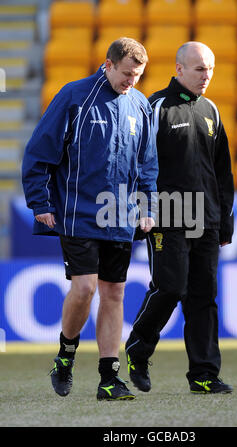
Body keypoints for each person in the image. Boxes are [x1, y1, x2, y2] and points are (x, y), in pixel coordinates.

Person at [22, 38, 158, 401]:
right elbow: (39, 152)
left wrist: (148, 207)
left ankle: (109, 378)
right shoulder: (74, 96)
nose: (132, 81)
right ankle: (65, 358)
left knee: (114, 292)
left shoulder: (140, 105)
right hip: (76, 211)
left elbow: (147, 164)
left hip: (119, 215)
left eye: (138, 76)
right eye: (127, 74)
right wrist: (40, 202)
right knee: (84, 289)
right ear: (108, 64)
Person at [125, 42, 235, 394]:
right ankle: (137, 348)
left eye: (211, 69)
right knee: (170, 287)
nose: (207, 76)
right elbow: (135, 164)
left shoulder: (212, 111)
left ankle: (204, 374)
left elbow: (222, 171)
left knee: (204, 295)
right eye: (200, 68)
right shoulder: (155, 107)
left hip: (207, 218)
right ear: (179, 69)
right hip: (167, 215)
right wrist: (144, 209)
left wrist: (224, 218)